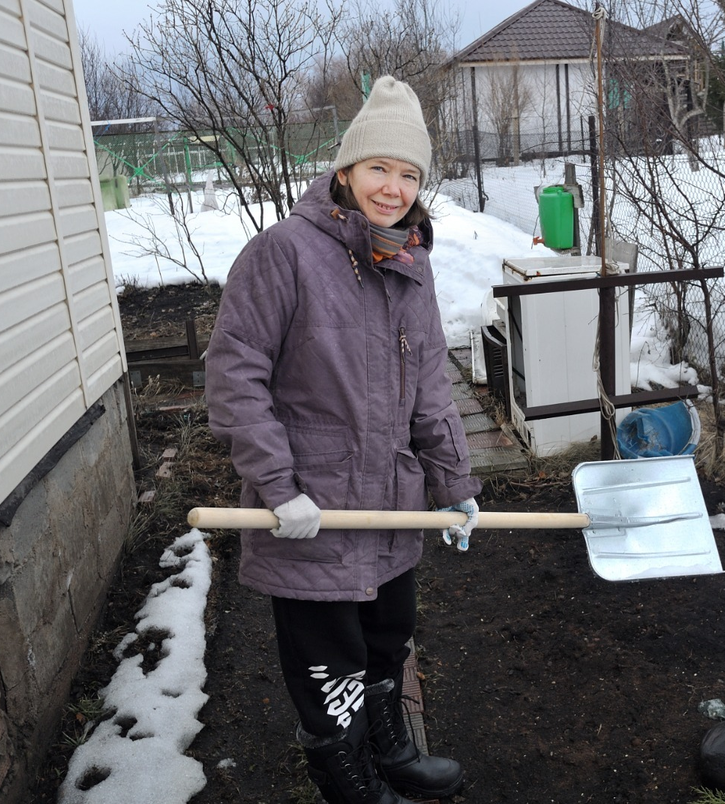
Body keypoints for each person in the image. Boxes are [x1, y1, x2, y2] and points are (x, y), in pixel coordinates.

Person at [204, 75, 482, 804]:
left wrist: (455, 488)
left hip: (392, 506)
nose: (392, 188)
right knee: (331, 664)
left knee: (388, 640)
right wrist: (277, 487)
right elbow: (236, 378)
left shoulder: (410, 265)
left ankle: (389, 749)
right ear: (346, 170)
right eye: (379, 168)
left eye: (408, 173)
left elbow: (429, 391)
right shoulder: (284, 253)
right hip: (312, 512)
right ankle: (347, 781)